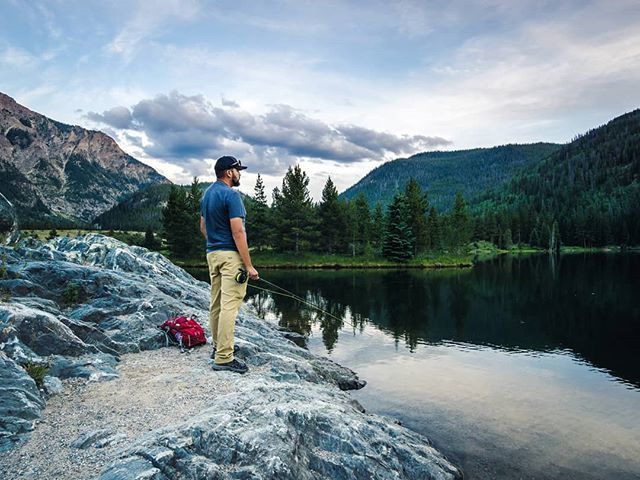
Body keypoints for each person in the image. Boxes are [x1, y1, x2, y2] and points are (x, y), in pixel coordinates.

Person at [200, 155, 259, 374]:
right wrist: (249, 265)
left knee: (215, 303)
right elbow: (238, 232)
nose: (240, 173)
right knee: (229, 307)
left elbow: (203, 227)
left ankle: (218, 348)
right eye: (237, 170)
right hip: (230, 257)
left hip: (212, 255)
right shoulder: (231, 196)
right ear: (228, 172)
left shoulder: (207, 195)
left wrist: (215, 244)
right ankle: (224, 357)